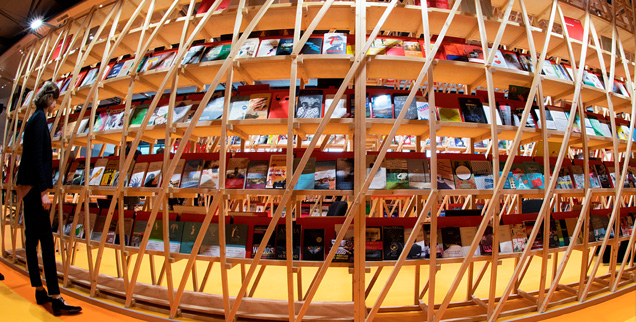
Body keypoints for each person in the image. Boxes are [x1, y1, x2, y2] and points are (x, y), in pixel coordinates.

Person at [16, 81, 82, 316]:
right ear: (49, 98)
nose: (56, 104)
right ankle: (55, 297)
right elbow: (35, 158)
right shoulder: (39, 120)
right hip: (35, 189)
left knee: (32, 239)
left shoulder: (34, 119)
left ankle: (39, 289)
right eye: (55, 99)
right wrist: (44, 191)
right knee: (45, 240)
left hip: (30, 187)